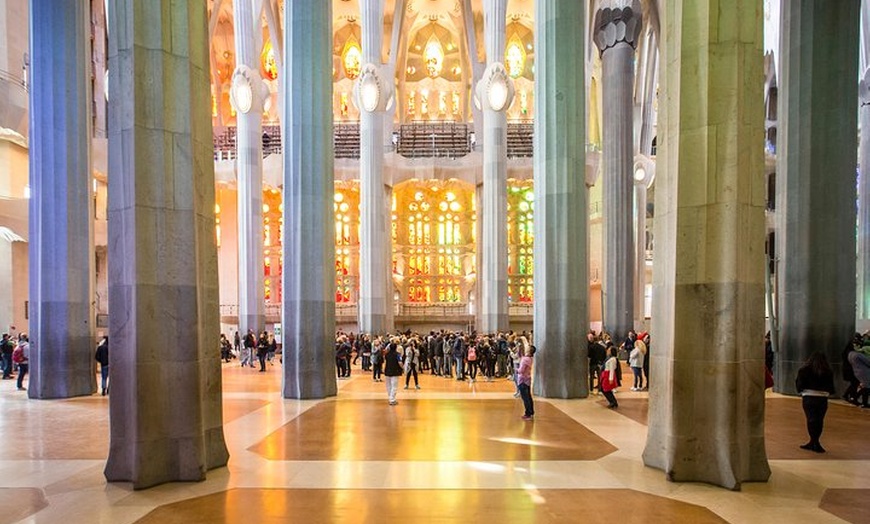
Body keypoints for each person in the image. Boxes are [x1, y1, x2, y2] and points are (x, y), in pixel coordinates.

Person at [795, 352, 836, 453]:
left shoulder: (804, 370)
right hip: (822, 397)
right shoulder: (827, 371)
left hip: (809, 396)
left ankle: (813, 441)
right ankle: (816, 442)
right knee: (819, 420)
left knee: (811, 419)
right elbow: (831, 387)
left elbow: (799, 385)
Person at [517, 344, 535, 420]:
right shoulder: (530, 359)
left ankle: (528, 413)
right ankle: (531, 412)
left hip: (522, 380)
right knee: (529, 396)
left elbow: (521, 370)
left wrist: (516, 370)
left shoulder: (525, 360)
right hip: (527, 379)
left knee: (525, 397)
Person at [383, 339, 403, 405]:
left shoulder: (386, 354)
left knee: (388, 385)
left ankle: (390, 397)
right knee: (394, 386)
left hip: (387, 371)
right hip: (395, 371)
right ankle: (392, 399)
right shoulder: (398, 355)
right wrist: (403, 368)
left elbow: (385, 362)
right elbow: (400, 362)